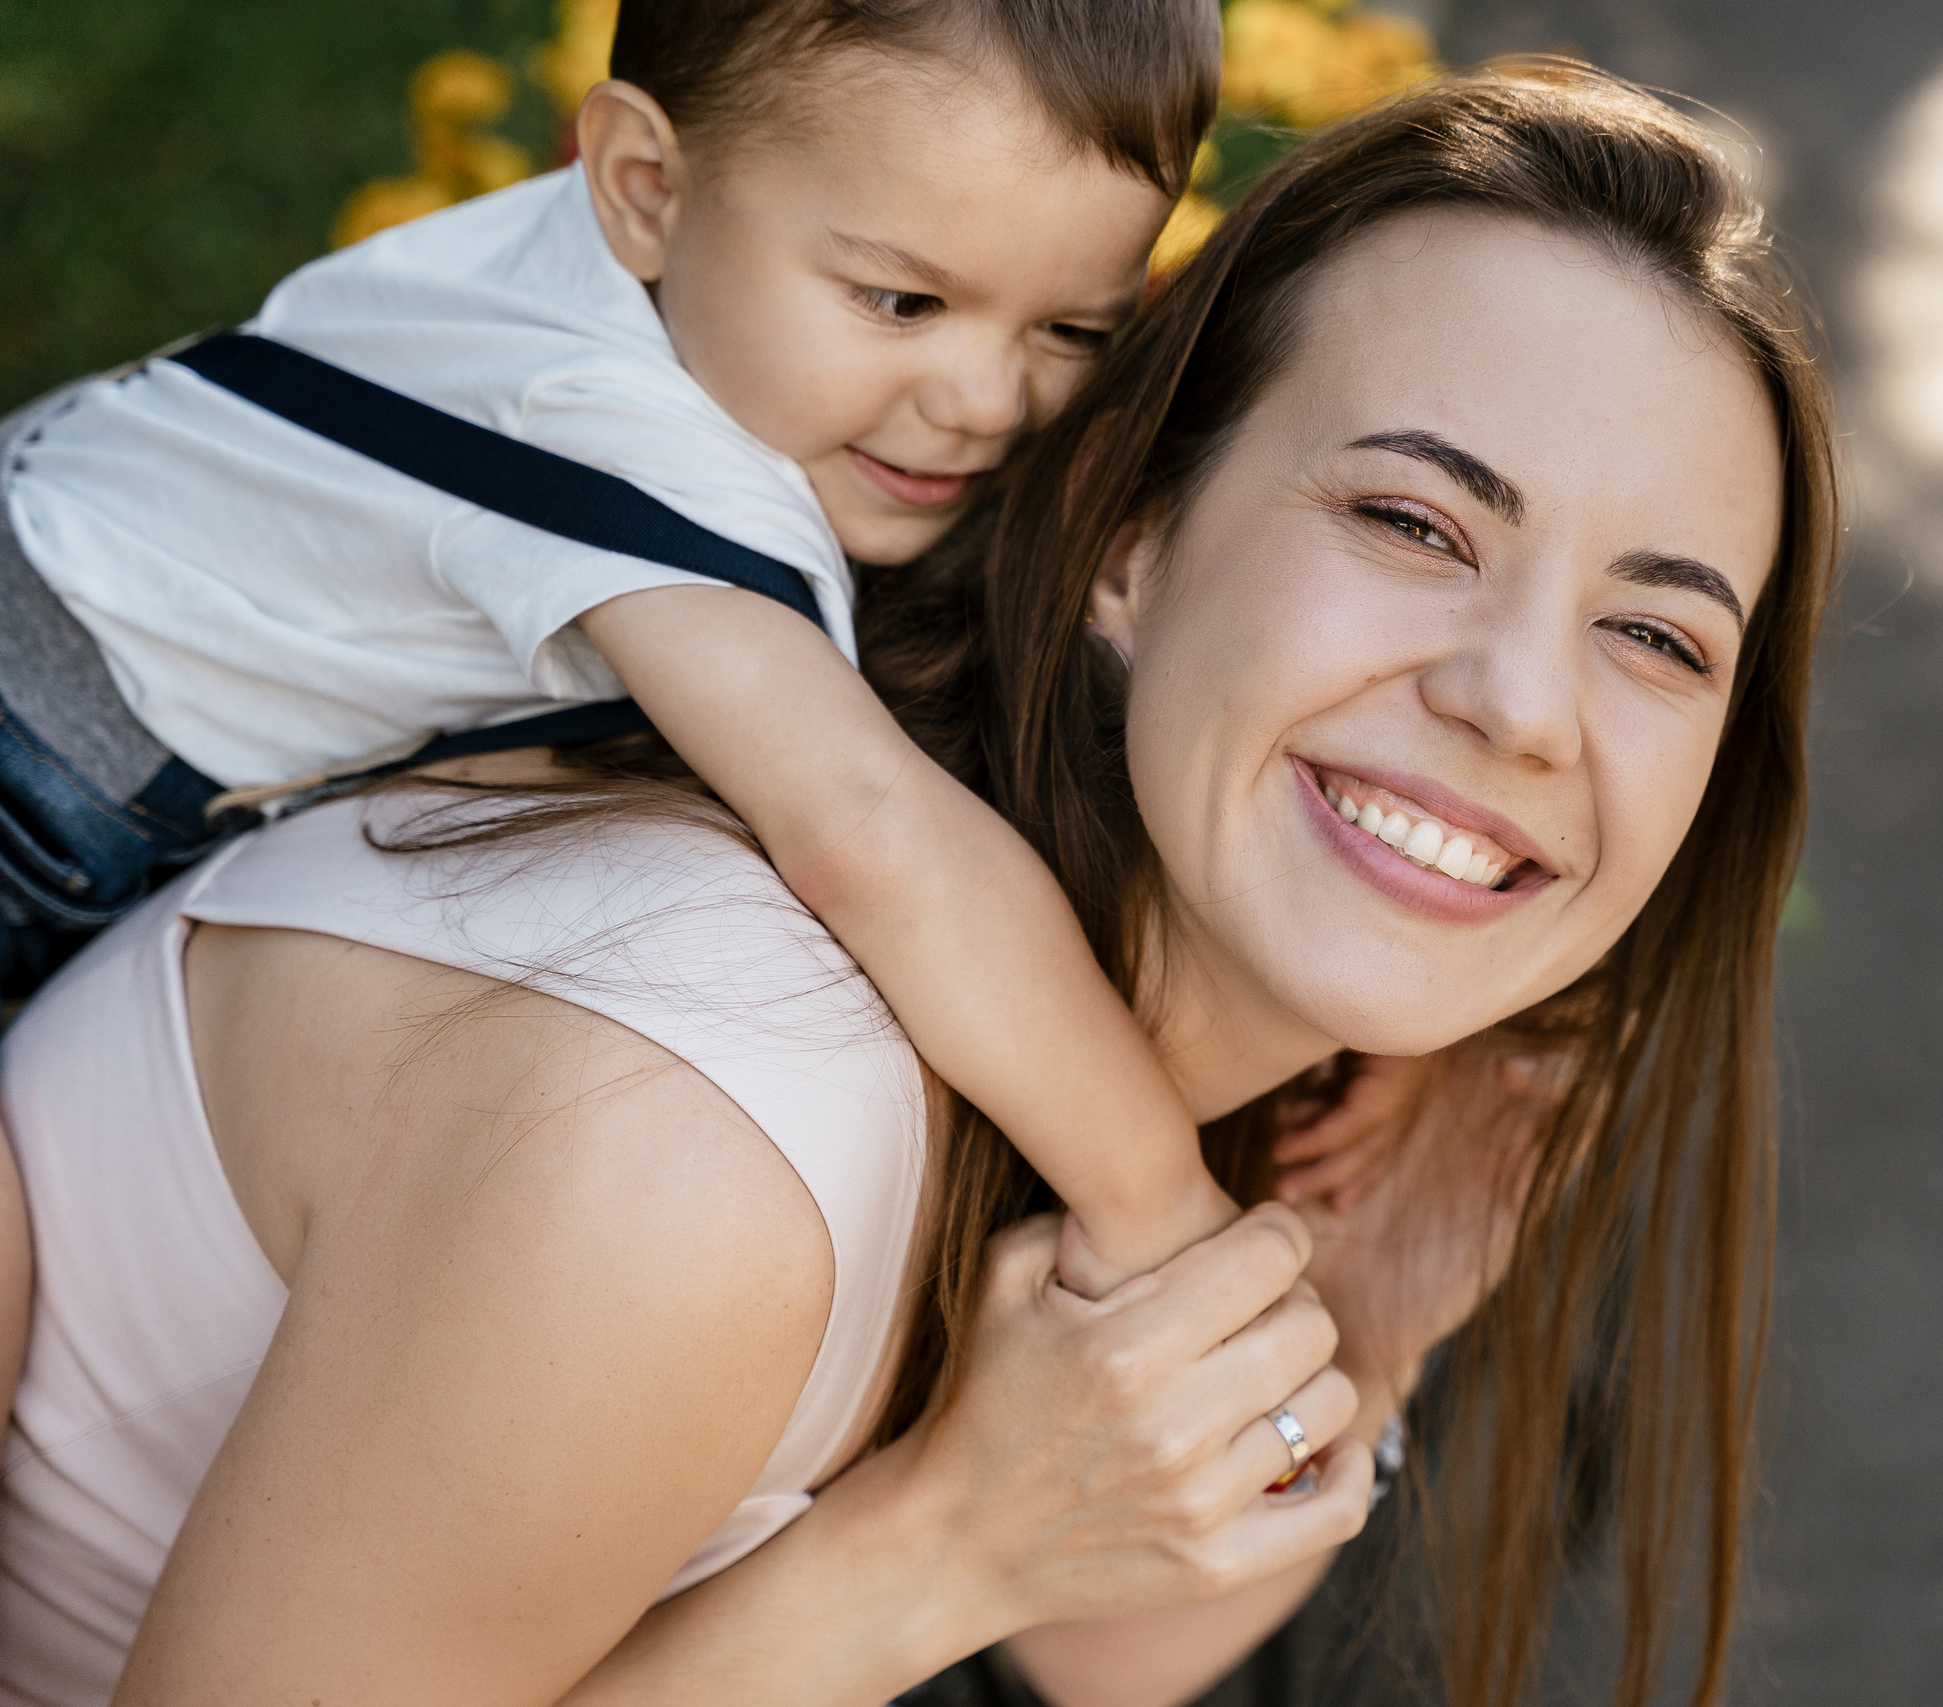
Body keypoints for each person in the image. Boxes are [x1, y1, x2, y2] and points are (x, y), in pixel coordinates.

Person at [0, 65, 1838, 1707]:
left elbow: (1102, 1649)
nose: (1521, 704)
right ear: (1128, 538)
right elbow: (1006, 1588)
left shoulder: (1142, 1037)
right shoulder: (702, 1128)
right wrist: (933, 1555)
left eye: (1657, 636)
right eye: (1414, 523)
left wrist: (1352, 1315)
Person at [0, 0, 1240, 1306]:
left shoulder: (643, 281)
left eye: (1074, 332)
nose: (987, 402)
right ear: (645, 186)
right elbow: (869, 830)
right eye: (903, 300)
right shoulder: (597, 428)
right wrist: (1163, 1205)